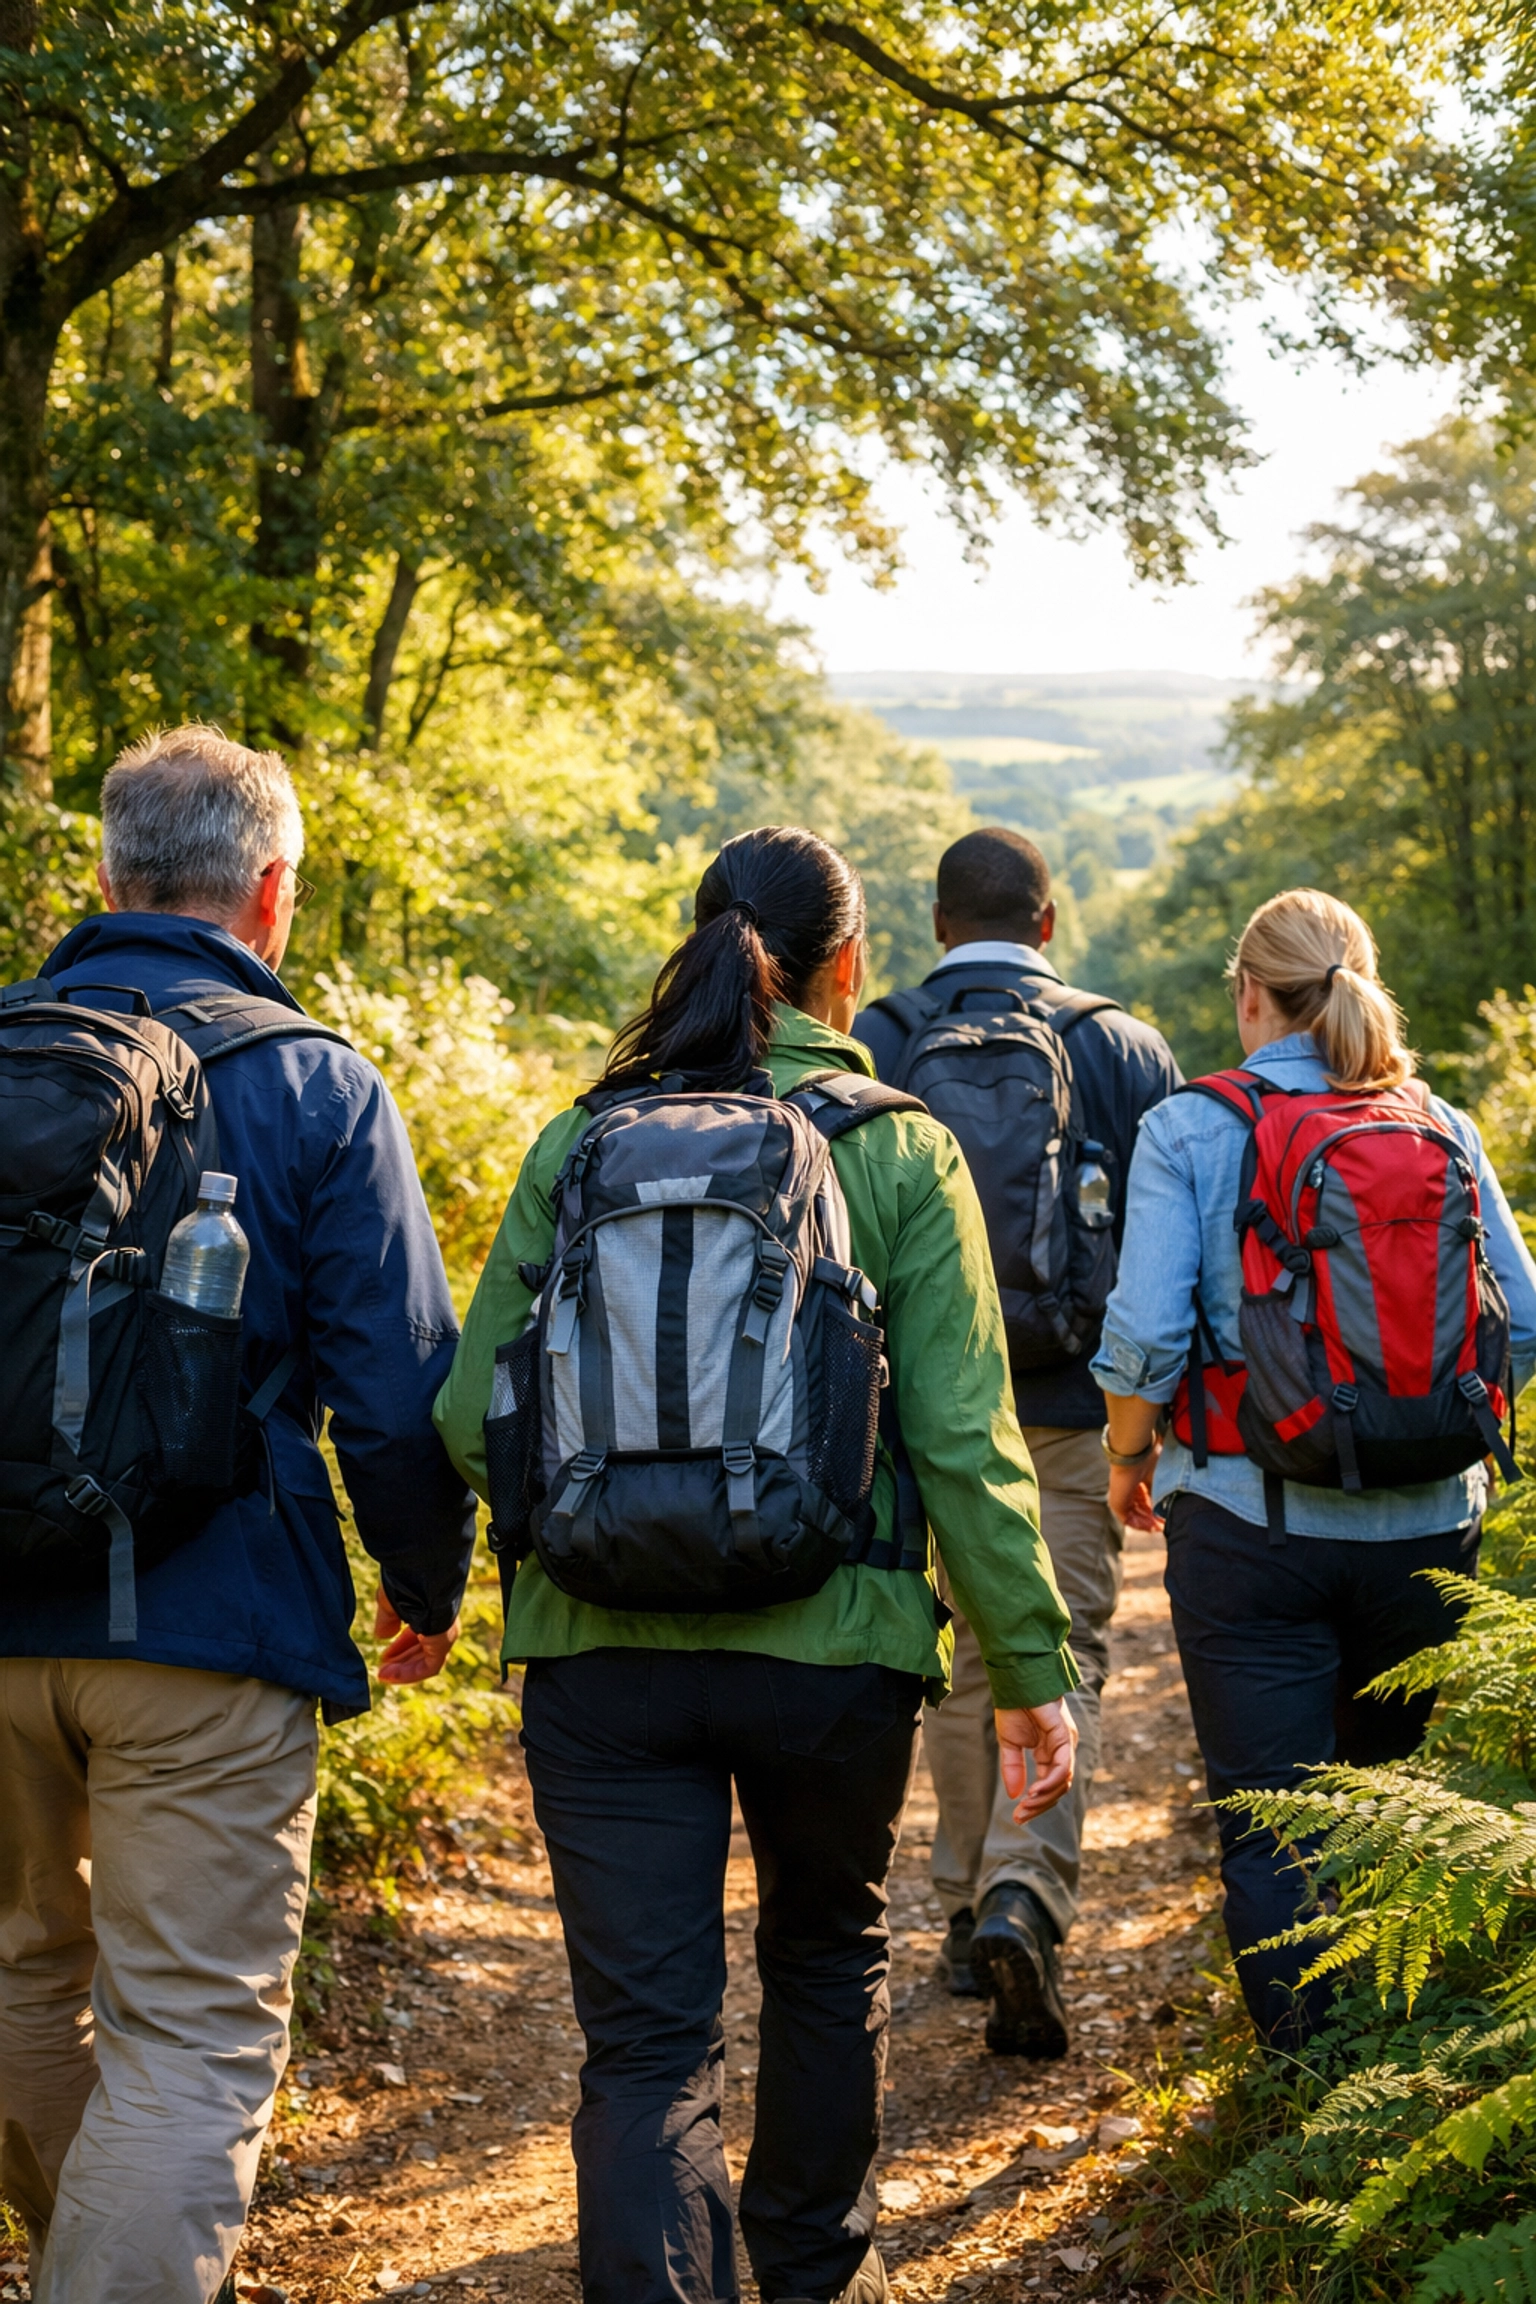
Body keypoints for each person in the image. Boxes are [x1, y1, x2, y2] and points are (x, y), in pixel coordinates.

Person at [434, 826, 1080, 2304]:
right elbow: (969, 1448)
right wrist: (1030, 1675)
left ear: (702, 940)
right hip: (834, 1649)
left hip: (599, 1660)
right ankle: (801, 2280)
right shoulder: (901, 1144)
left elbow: (474, 1413)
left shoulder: (582, 1135)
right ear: (846, 970)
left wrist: (595, 1531)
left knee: (648, 2044)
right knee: (825, 1959)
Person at [0, 727, 477, 2303]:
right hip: (215, 1626)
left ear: (105, 876)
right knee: (193, 2042)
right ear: (272, 892)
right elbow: (396, 1385)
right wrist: (427, 1580)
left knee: (17, 1983)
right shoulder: (314, 1085)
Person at [1093, 887, 1536, 2048]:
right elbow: (1524, 1323)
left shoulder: (1191, 1128)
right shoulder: (1437, 1118)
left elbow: (1144, 1336)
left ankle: (1302, 2091)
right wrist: (1430, 1438)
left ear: (1249, 994)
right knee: (1393, 1817)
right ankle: (1388, 2084)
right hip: (1433, 1532)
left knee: (1276, 1829)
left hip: (1252, 1524)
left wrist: (1130, 1462)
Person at [857, 827, 1180, 2057]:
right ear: (1050, 923)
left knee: (960, 1656)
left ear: (938, 926)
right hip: (1073, 1404)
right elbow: (1158, 1257)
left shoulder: (879, 1041)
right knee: (1068, 1648)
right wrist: (1147, 1429)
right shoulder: (1122, 1049)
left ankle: (954, 1903)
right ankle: (1023, 1893)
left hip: (916, 1417)